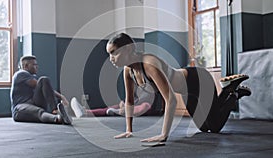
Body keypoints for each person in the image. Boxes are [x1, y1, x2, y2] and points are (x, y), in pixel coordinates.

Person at [105, 33, 251, 142]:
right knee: (204, 128)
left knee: (215, 126)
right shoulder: (128, 70)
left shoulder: (149, 64)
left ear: (128, 49)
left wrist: (164, 134)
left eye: (114, 52)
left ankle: (232, 94)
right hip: (187, 91)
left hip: (199, 80)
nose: (111, 58)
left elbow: (171, 100)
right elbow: (129, 101)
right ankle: (228, 89)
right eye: (109, 54)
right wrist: (129, 130)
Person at [10, 55, 72, 125]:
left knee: (44, 80)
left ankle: (55, 111)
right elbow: (37, 84)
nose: (37, 67)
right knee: (39, 112)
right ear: (26, 66)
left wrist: (61, 97)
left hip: (33, 103)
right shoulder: (21, 74)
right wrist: (61, 97)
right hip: (20, 109)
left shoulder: (30, 76)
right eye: (34, 65)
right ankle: (58, 118)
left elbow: (45, 86)